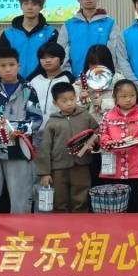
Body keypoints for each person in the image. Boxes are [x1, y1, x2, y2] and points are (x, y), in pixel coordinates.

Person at [0, 48, 44, 214]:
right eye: (3, 65)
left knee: (21, 197)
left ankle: (21, 229)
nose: (8, 69)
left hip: (19, 148)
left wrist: (18, 129)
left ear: (19, 66)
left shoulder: (28, 90)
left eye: (12, 65)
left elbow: (36, 119)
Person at [36, 82, 98, 213]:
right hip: (58, 168)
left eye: (72, 99)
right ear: (55, 103)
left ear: (76, 97)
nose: (69, 103)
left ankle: (81, 223)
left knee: (81, 197)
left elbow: (97, 132)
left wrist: (94, 142)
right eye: (64, 101)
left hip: (81, 165)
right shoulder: (52, 122)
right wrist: (45, 173)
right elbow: (45, 149)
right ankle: (61, 224)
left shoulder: (85, 116)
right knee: (59, 201)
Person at [57, 0, 130, 78]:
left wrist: (112, 75)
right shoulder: (69, 25)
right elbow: (60, 53)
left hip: (103, 78)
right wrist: (68, 75)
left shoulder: (110, 23)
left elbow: (117, 52)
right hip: (75, 78)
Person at [97, 80, 138, 212]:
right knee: (114, 205)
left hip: (135, 170)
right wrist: (108, 142)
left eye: (132, 95)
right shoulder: (107, 116)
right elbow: (102, 134)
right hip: (112, 170)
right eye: (123, 96)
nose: (128, 99)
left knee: (135, 203)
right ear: (115, 98)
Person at [0, 0, 58, 80]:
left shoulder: (51, 33)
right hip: (14, 80)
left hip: (43, 80)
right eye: (26, 4)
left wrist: (35, 78)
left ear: (41, 7)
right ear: (21, 6)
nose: (29, 7)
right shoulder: (8, 34)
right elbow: (3, 59)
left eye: (34, 4)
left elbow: (53, 59)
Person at [27, 41, 75, 130]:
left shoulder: (69, 80)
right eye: (43, 58)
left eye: (52, 57)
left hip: (61, 129)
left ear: (61, 59)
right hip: (35, 130)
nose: (47, 60)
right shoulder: (34, 80)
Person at [74, 44, 125, 119]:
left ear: (108, 63)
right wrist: (82, 100)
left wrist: (104, 103)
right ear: (88, 64)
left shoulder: (119, 79)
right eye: (93, 64)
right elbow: (72, 110)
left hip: (114, 123)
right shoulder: (81, 82)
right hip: (90, 123)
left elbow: (126, 102)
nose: (97, 68)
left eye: (101, 64)